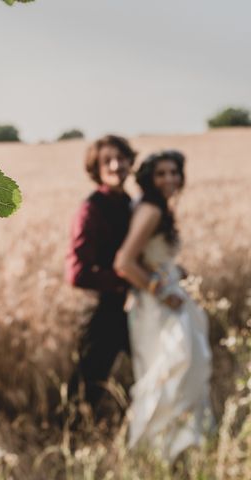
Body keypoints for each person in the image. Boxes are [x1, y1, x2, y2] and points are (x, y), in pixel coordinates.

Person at [114, 150, 213, 461]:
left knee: (183, 368)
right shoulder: (151, 210)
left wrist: (174, 270)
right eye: (161, 173)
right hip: (158, 307)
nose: (170, 178)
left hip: (167, 297)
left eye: (174, 172)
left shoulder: (157, 207)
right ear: (149, 178)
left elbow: (150, 256)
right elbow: (124, 263)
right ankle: (163, 448)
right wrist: (161, 290)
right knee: (171, 369)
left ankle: (178, 447)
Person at [65, 135, 137, 416]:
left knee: (153, 369)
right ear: (96, 169)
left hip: (134, 307)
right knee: (86, 388)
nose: (116, 165)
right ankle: (69, 443)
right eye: (107, 161)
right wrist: (125, 280)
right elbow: (77, 273)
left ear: (131, 162)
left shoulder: (130, 202)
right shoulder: (90, 209)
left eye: (121, 158)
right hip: (102, 312)